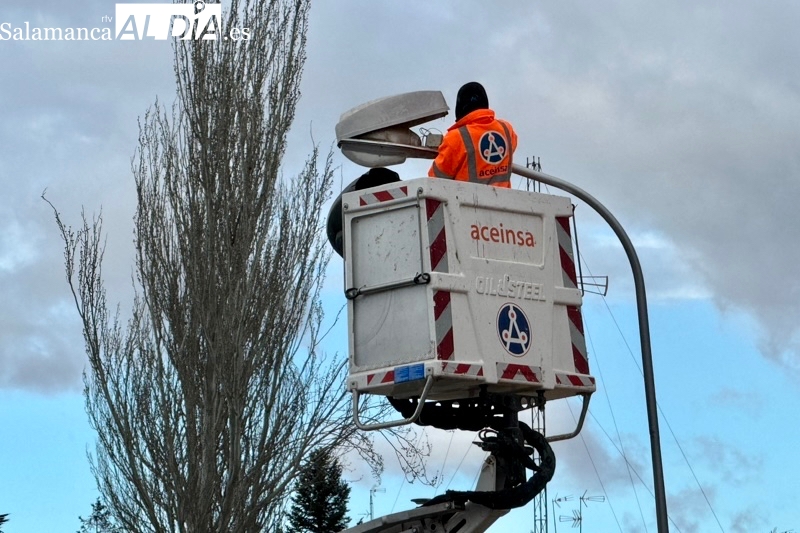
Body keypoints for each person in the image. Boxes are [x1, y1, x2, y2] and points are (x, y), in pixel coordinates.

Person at [429, 82, 518, 188]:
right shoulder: (506, 129)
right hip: (502, 202)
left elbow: (435, 179)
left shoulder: (455, 138)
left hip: (465, 203)